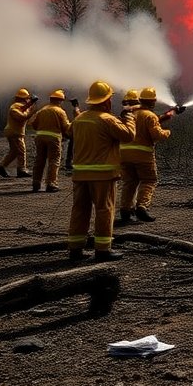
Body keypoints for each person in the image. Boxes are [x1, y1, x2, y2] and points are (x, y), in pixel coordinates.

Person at [67, 81, 135, 262]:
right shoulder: (107, 119)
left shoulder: (79, 119)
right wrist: (128, 117)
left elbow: (70, 131)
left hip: (80, 175)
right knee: (105, 210)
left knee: (79, 210)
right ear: (106, 101)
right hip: (103, 175)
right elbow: (128, 136)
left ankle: (75, 249)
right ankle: (103, 250)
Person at [116, 87, 176, 226]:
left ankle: (125, 211)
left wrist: (171, 113)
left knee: (129, 182)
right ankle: (142, 208)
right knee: (149, 180)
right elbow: (156, 134)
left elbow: (151, 121)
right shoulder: (149, 115)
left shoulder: (129, 114)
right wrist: (167, 132)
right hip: (143, 155)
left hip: (124, 154)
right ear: (153, 101)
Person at [28, 89, 76, 193]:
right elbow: (66, 127)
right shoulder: (60, 112)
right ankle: (51, 183)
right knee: (54, 160)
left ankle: (36, 183)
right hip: (53, 139)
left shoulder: (42, 110)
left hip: (40, 138)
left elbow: (33, 123)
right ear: (60, 101)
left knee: (39, 160)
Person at [0, 88, 36, 178]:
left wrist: (31, 103)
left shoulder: (19, 106)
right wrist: (30, 113)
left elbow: (24, 109)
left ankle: (2, 165)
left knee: (14, 151)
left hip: (14, 132)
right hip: (15, 133)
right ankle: (21, 170)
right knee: (21, 151)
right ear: (23, 98)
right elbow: (21, 117)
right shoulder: (15, 107)